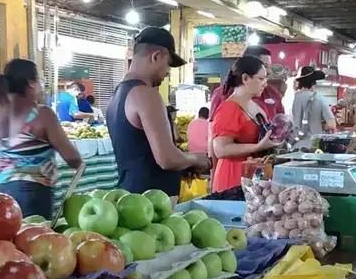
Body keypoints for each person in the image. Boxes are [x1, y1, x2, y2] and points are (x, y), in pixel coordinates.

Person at [0, 59, 82, 219]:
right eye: (40, 80)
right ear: (32, 83)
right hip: (30, 193)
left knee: (0, 242)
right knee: (29, 240)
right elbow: (71, 157)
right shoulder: (42, 114)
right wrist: (78, 163)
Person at [106, 27, 209, 197]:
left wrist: (183, 166)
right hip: (150, 204)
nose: (167, 73)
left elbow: (140, 155)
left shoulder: (117, 95)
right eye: (168, 65)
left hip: (130, 195)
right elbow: (167, 159)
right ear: (156, 57)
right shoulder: (146, 94)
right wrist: (196, 159)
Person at [211, 55, 282, 193]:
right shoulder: (229, 108)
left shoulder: (255, 105)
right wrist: (257, 147)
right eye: (261, 78)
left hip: (253, 176)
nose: (265, 83)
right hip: (234, 177)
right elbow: (220, 149)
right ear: (245, 78)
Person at [209, 45, 284, 119]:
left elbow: (281, 120)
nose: (269, 71)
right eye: (265, 66)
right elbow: (213, 126)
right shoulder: (222, 94)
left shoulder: (272, 93)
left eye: (270, 66)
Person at [291, 66, 335, 138]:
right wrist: (320, 125)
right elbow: (331, 124)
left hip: (296, 143)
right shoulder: (320, 99)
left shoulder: (295, 99)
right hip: (313, 144)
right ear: (313, 83)